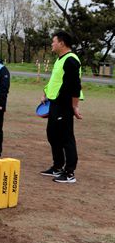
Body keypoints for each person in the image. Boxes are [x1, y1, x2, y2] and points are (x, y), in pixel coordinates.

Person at [40, 31, 83, 184]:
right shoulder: (60, 59)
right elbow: (55, 81)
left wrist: (75, 106)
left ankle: (70, 173)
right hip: (55, 103)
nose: (52, 44)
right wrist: (45, 94)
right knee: (52, 134)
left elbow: (76, 86)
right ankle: (58, 166)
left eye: (54, 41)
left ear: (62, 43)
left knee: (66, 137)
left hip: (64, 104)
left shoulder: (71, 60)